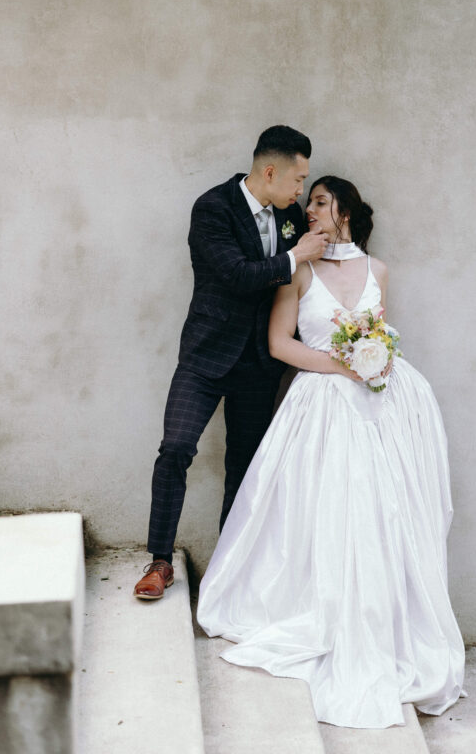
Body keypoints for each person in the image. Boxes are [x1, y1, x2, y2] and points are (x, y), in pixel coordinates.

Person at [197, 175, 465, 729]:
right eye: (308, 202)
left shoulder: (379, 270)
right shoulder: (295, 268)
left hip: (384, 406)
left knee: (384, 513)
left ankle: (383, 620)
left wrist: (375, 360)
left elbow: (380, 332)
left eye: (319, 201)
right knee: (329, 508)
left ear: (344, 210)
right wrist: (344, 365)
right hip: (321, 404)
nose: (309, 210)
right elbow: (280, 344)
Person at [134, 126, 329, 600]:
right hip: (205, 357)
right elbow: (236, 275)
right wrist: (294, 256)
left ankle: (229, 569)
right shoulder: (213, 208)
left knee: (244, 468)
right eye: (298, 180)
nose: (302, 190)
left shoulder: (290, 219)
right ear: (269, 172)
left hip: (259, 366)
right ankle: (159, 561)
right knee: (176, 448)